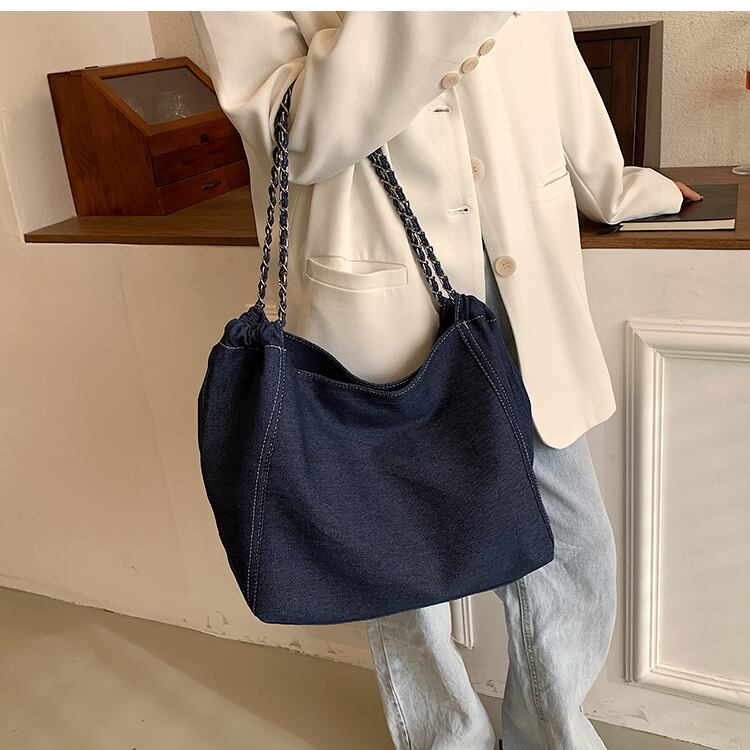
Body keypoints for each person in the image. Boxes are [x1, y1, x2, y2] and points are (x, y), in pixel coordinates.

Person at [193, 11, 701, 749]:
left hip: (521, 286)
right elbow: (293, 134)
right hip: (377, 293)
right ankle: (444, 739)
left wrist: (615, 187)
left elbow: (556, 69)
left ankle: (550, 734)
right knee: (399, 563)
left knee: (574, 545)